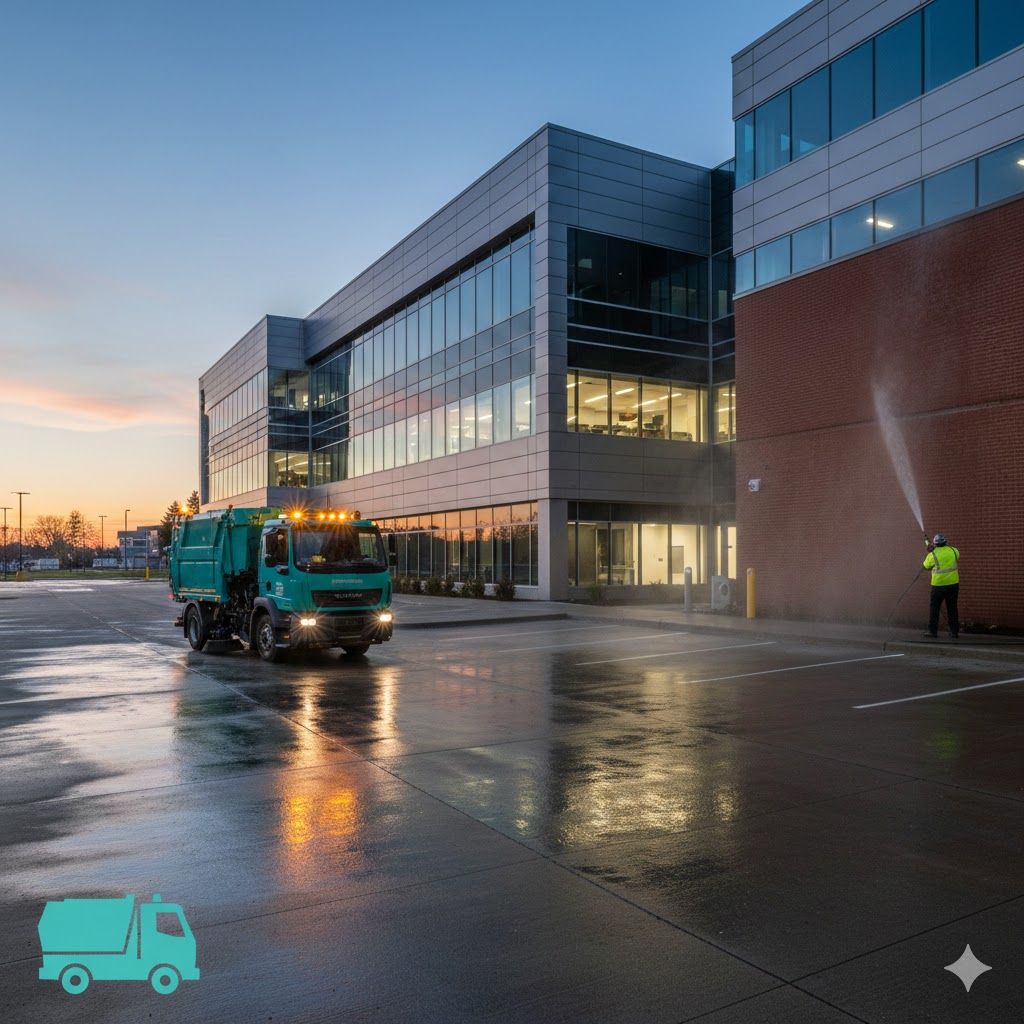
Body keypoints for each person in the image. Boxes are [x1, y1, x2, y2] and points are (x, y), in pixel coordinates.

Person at [923, 533, 960, 639]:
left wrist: (930, 552)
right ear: (946, 542)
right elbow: (956, 557)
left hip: (938, 586)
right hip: (953, 584)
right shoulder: (954, 550)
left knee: (934, 608)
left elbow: (926, 566)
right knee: (952, 608)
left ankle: (932, 632)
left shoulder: (932, 554)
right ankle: (954, 632)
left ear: (935, 543)